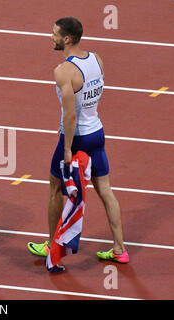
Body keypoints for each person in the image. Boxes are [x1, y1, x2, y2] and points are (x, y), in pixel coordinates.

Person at [27, 17, 129, 265]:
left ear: (67, 39)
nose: (51, 37)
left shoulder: (64, 71)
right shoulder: (96, 59)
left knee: (54, 189)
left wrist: (67, 148)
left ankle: (52, 245)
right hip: (97, 132)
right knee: (105, 190)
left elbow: (70, 114)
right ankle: (119, 249)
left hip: (77, 137)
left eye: (55, 34)